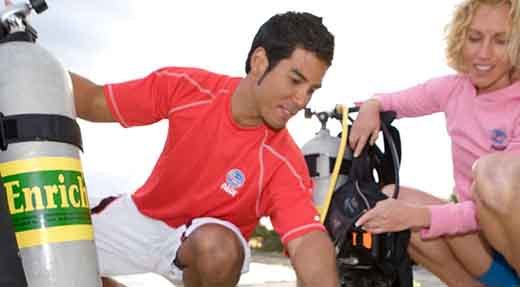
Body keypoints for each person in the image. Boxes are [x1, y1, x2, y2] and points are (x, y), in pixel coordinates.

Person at [70, 11, 338, 287]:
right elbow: (93, 100)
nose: (301, 100)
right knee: (38, 245)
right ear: (259, 62)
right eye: (295, 80)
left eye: (311, 90)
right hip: (142, 217)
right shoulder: (189, 89)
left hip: (206, 246)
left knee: (217, 248)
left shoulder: (283, 160)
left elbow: (306, 239)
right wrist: (27, 63)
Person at [350, 0, 520, 286]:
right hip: (481, 240)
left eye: (501, 41)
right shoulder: (453, 89)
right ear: (460, 38)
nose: (483, 53)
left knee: (492, 175)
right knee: (391, 197)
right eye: (474, 37)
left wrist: (418, 216)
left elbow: (499, 203)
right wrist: (372, 106)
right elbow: (392, 100)